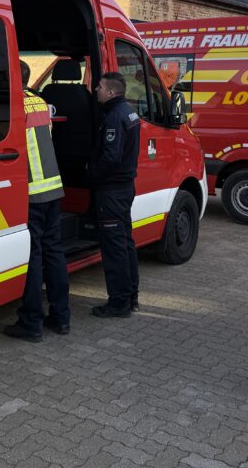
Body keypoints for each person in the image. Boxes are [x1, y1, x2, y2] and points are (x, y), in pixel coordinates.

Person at [4, 61, 71, 342]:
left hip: (31, 192)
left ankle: (31, 322)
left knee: (32, 257)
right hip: (53, 188)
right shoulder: (40, 102)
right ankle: (61, 317)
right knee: (54, 252)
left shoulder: (13, 105)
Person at [88, 71, 141, 318]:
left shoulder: (113, 117)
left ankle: (119, 303)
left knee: (114, 248)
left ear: (110, 92)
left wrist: (91, 174)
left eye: (99, 87)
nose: (95, 90)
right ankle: (131, 297)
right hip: (125, 188)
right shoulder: (129, 111)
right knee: (125, 243)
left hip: (111, 191)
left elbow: (111, 157)